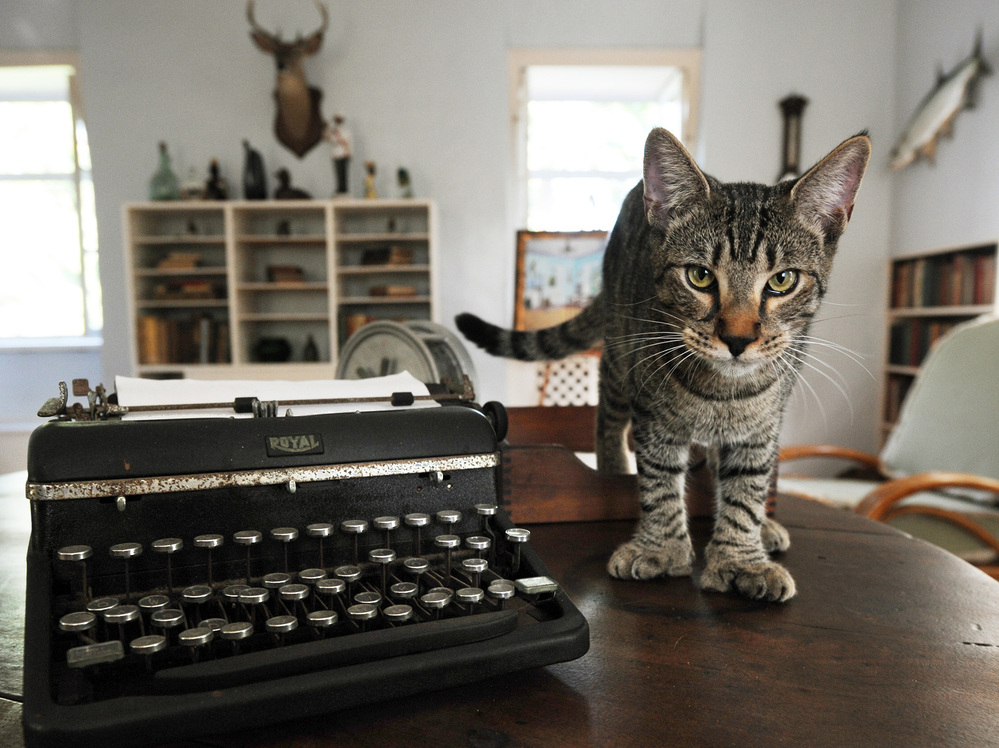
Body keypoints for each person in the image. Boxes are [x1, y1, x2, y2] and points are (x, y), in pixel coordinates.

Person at [324, 115, 352, 196]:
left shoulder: (346, 131)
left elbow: (347, 141)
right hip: (336, 154)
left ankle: (344, 189)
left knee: (344, 173)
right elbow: (328, 139)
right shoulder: (333, 131)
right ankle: (340, 189)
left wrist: (349, 152)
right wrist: (327, 128)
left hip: (344, 153)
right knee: (338, 173)